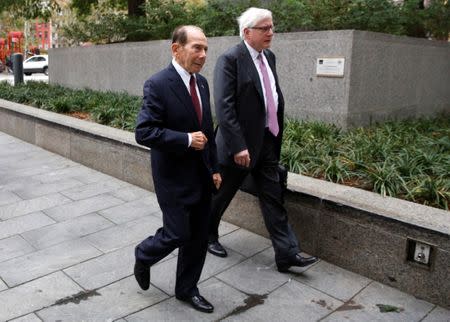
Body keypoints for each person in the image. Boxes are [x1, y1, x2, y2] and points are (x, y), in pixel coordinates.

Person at [208, 7, 318, 273]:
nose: (271, 32)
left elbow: (271, 96)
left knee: (273, 197)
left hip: (267, 142)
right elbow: (224, 107)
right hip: (238, 147)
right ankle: (207, 235)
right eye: (264, 28)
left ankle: (287, 254)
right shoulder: (230, 59)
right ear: (247, 32)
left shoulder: (269, 56)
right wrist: (238, 146)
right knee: (220, 197)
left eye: (271, 27)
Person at [134, 25, 221, 314]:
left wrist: (215, 167)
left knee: (197, 237)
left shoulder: (203, 83)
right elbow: (144, 132)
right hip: (172, 178)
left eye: (206, 48)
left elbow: (207, 130)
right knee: (177, 233)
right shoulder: (157, 84)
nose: (203, 54)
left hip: (201, 175)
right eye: (197, 47)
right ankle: (144, 254)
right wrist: (185, 139)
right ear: (176, 49)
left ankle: (187, 289)